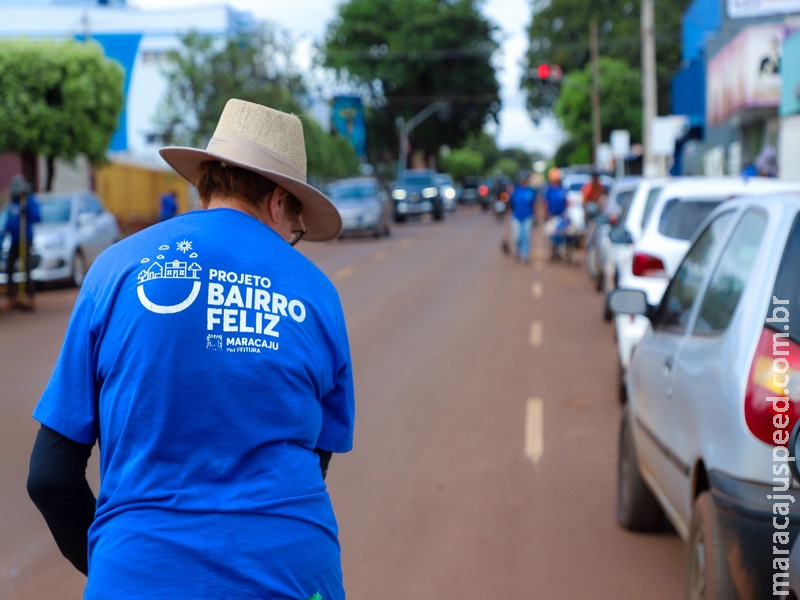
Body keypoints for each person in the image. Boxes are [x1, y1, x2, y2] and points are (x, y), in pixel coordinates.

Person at [27, 99, 355, 600]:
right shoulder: (317, 293)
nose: (293, 238)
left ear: (206, 184)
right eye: (297, 227)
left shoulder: (115, 270)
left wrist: (123, 567)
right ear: (277, 201)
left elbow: (50, 477)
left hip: (137, 573)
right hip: (291, 574)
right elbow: (316, 460)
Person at [3, 174, 41, 311]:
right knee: (9, 268)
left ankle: (30, 298)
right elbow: (9, 221)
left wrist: (28, 210)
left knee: (27, 269)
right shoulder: (13, 204)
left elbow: (37, 217)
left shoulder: (30, 201)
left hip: (26, 239)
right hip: (14, 240)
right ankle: (11, 297)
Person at [508, 174, 536, 264]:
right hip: (516, 216)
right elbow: (510, 204)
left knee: (526, 237)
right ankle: (518, 252)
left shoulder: (530, 191)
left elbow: (534, 204)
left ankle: (525, 255)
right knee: (517, 237)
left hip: (527, 216)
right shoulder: (515, 191)